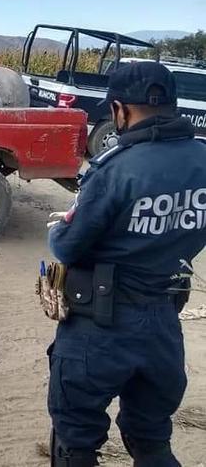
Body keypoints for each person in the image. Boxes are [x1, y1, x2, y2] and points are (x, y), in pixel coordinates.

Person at [46, 61, 206, 466]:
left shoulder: (115, 169)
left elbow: (67, 246)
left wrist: (58, 229)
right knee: (152, 439)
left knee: (75, 442)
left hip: (100, 327)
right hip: (164, 326)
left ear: (119, 110)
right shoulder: (202, 160)